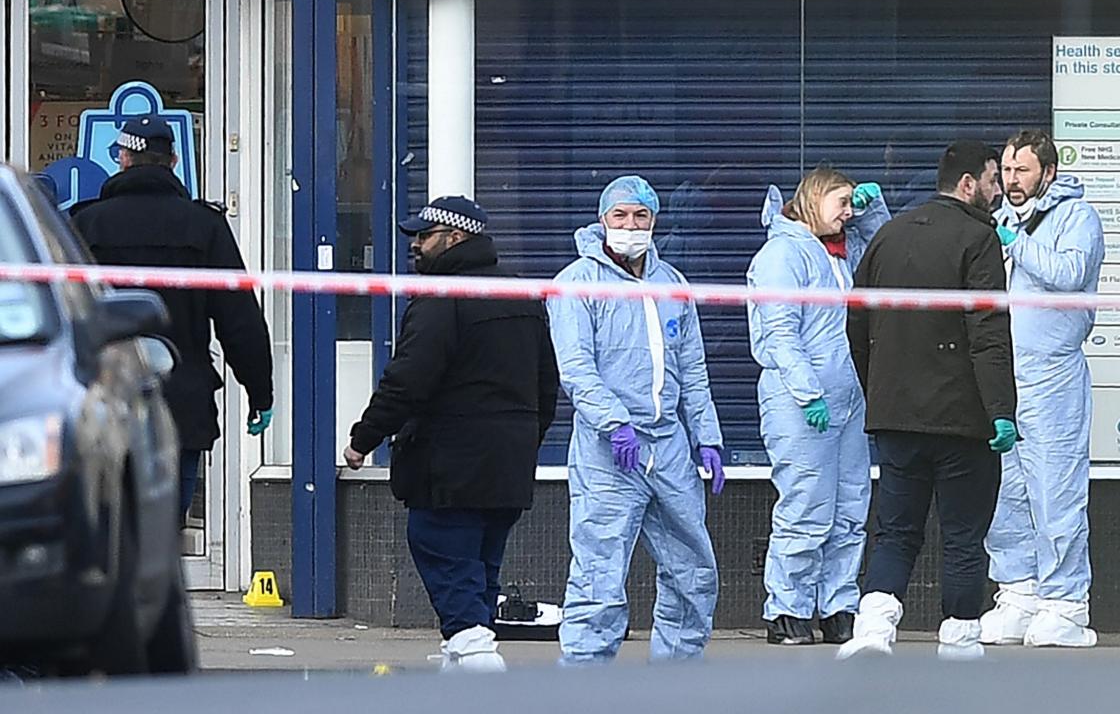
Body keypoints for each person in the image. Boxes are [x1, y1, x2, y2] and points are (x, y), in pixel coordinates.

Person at [343, 196, 560, 672]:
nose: (415, 246)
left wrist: (364, 438)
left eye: (424, 236)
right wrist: (525, 440)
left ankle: (474, 653)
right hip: (507, 465)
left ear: (456, 238)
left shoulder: (443, 297)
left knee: (441, 548)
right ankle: (465, 656)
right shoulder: (521, 294)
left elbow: (408, 379)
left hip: (451, 463)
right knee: (481, 565)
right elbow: (548, 383)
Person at [839, 140, 1018, 660]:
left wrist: (880, 388)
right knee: (963, 535)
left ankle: (873, 630)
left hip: (897, 418)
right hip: (963, 420)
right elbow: (987, 330)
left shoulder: (890, 235)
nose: (997, 190)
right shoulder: (978, 239)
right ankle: (960, 640)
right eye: (991, 180)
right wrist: (1001, 411)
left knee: (895, 531)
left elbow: (857, 319)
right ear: (968, 185)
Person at [547, 175, 726, 665]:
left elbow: (692, 369)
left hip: (668, 448)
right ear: (602, 220)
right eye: (620, 216)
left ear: (655, 221)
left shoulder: (672, 285)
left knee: (693, 571)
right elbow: (576, 368)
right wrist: (613, 422)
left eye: (640, 216)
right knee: (599, 575)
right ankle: (584, 684)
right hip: (609, 454)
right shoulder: (577, 284)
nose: (630, 226)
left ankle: (677, 676)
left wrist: (706, 437)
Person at [73, 115, 273, 523]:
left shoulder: (85, 223)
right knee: (164, 527)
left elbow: (62, 311)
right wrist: (260, 392)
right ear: (175, 161)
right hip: (180, 398)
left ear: (124, 159)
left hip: (102, 397)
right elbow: (239, 320)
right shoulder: (204, 225)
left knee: (105, 523)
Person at [746, 169, 891, 646]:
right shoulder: (783, 254)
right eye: (842, 202)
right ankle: (787, 609)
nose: (848, 212)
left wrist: (872, 214)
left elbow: (883, 261)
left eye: (852, 204)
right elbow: (781, 332)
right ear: (813, 198)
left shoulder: (836, 253)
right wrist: (808, 393)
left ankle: (837, 606)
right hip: (799, 401)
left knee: (850, 507)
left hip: (846, 400)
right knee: (806, 506)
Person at [981, 130, 1105, 648]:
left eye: (1021, 171)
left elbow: (1071, 273)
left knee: (1056, 488)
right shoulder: (998, 218)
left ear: (1047, 173)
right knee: (1005, 490)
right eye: (1006, 171)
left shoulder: (1077, 218)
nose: (1011, 181)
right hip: (1003, 373)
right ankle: (1018, 590)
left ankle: (1065, 603)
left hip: (1053, 374)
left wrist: (1019, 243)